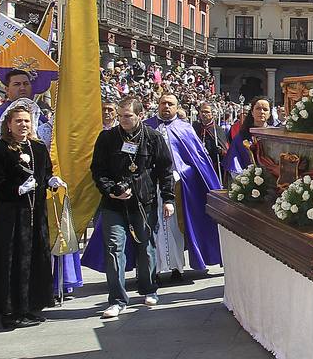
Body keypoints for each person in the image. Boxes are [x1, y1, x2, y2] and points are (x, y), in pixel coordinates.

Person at [0, 102, 65, 329]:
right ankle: (10, 311)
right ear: (9, 124)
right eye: (18, 121)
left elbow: (45, 173)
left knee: (33, 259)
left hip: (35, 215)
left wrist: (51, 181)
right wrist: (17, 189)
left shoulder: (37, 148)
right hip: (11, 217)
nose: (23, 125)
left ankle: (29, 306)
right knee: (12, 261)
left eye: (26, 120)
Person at [91, 97, 175, 319]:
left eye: (127, 116)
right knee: (113, 248)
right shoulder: (107, 138)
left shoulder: (153, 137)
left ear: (140, 115)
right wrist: (111, 189)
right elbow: (98, 170)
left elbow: (165, 169)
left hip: (143, 201)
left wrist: (168, 199)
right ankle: (117, 299)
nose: (122, 120)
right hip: (113, 203)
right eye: (120, 116)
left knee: (145, 246)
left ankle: (149, 288)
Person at [145, 93, 222, 281]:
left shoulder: (185, 128)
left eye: (170, 104)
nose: (166, 107)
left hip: (176, 187)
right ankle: (151, 269)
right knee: (151, 227)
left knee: (175, 228)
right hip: (149, 187)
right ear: (158, 104)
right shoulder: (146, 127)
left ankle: (176, 268)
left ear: (177, 107)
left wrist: (182, 172)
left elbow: (197, 158)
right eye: (163, 103)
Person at [224, 97, 272, 175]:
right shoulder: (241, 137)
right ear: (252, 112)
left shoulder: (275, 135)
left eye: (265, 109)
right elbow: (234, 161)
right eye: (258, 109)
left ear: (269, 114)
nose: (262, 112)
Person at [193, 101, 229, 181]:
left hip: (213, 165)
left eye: (207, 112)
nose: (204, 114)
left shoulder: (218, 130)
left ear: (212, 114)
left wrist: (220, 151)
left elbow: (225, 150)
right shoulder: (195, 127)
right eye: (202, 112)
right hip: (197, 163)